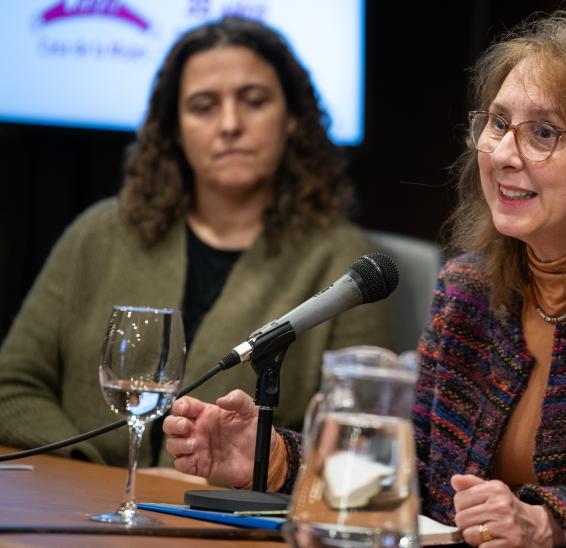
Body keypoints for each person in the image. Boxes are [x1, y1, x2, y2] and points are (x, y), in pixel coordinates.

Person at [162, 12, 566, 546]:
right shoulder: (471, 290)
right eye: (497, 123)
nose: (501, 154)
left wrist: (549, 524)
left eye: (543, 132)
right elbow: (418, 465)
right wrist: (276, 458)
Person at [0, 16, 392, 469]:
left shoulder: (345, 265)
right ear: (174, 129)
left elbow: (360, 435)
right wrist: (88, 467)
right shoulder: (97, 234)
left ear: (292, 121)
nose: (229, 124)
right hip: (76, 505)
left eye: (254, 101)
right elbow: (12, 385)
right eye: (204, 105)